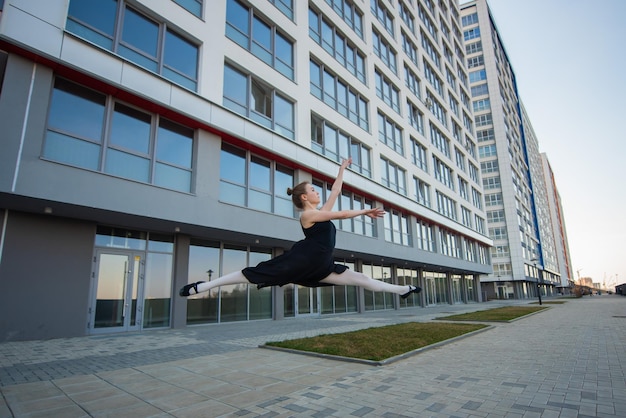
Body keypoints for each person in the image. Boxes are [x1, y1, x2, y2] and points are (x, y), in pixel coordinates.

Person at [179, 158, 421, 299]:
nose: (317, 192)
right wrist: (366, 211)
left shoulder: (319, 213)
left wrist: (341, 170)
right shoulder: (308, 214)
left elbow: (335, 192)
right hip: (303, 261)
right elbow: (344, 213)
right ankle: (203, 286)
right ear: (305, 198)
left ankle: (402, 290)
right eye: (313, 190)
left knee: (360, 278)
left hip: (321, 265)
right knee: (253, 273)